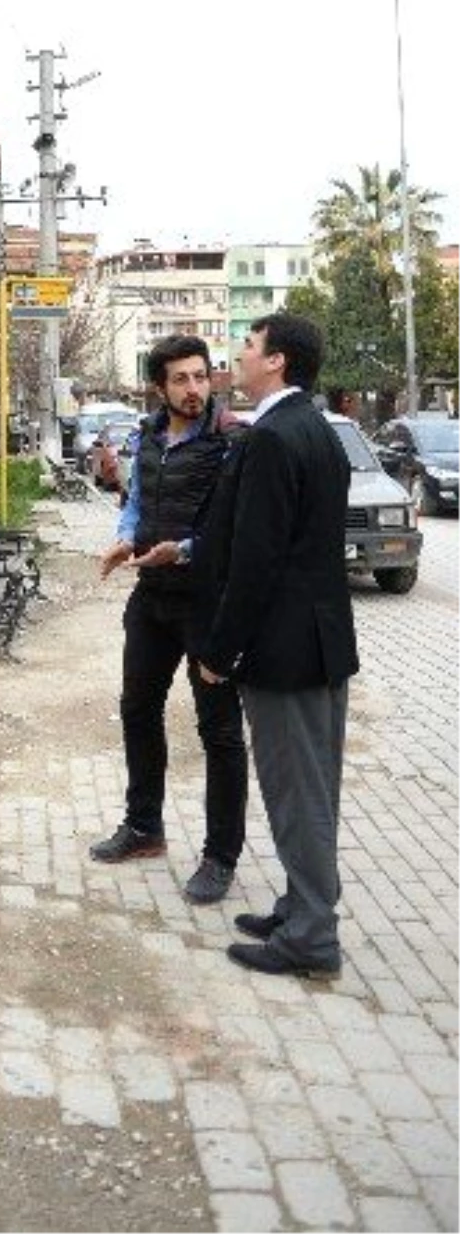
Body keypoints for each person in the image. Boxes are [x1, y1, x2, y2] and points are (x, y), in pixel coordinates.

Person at [193, 312, 357, 978]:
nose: (240, 353)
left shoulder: (270, 438)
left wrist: (219, 649)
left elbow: (256, 560)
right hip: (323, 641)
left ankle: (313, 936)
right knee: (315, 787)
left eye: (251, 345)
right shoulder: (317, 429)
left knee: (297, 793)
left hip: (285, 652)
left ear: (278, 361)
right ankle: (300, 903)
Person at [91, 336, 247, 904]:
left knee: (220, 732)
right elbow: (134, 498)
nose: (193, 389)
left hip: (206, 601)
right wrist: (126, 538)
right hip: (152, 597)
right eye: (181, 379)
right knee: (137, 709)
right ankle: (143, 828)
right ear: (161, 386)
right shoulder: (148, 435)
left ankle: (220, 857)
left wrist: (183, 549)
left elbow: (237, 527)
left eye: (201, 377)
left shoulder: (231, 441)